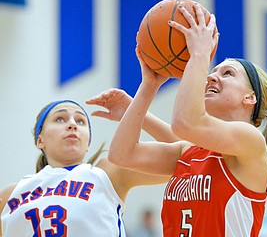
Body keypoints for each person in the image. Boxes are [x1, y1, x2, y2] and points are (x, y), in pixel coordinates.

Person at [99, 3, 267, 236]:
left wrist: (200, 53)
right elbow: (121, 154)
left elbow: (185, 124)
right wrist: (149, 86)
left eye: (227, 73)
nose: (211, 77)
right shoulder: (189, 152)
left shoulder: (250, 141)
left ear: (250, 97)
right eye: (213, 71)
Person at [0, 98, 178, 236]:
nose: (72, 124)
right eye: (60, 119)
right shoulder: (11, 194)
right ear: (40, 140)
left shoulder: (108, 173)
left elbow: (190, 155)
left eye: (80, 121)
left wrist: (137, 113)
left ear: (87, 144)